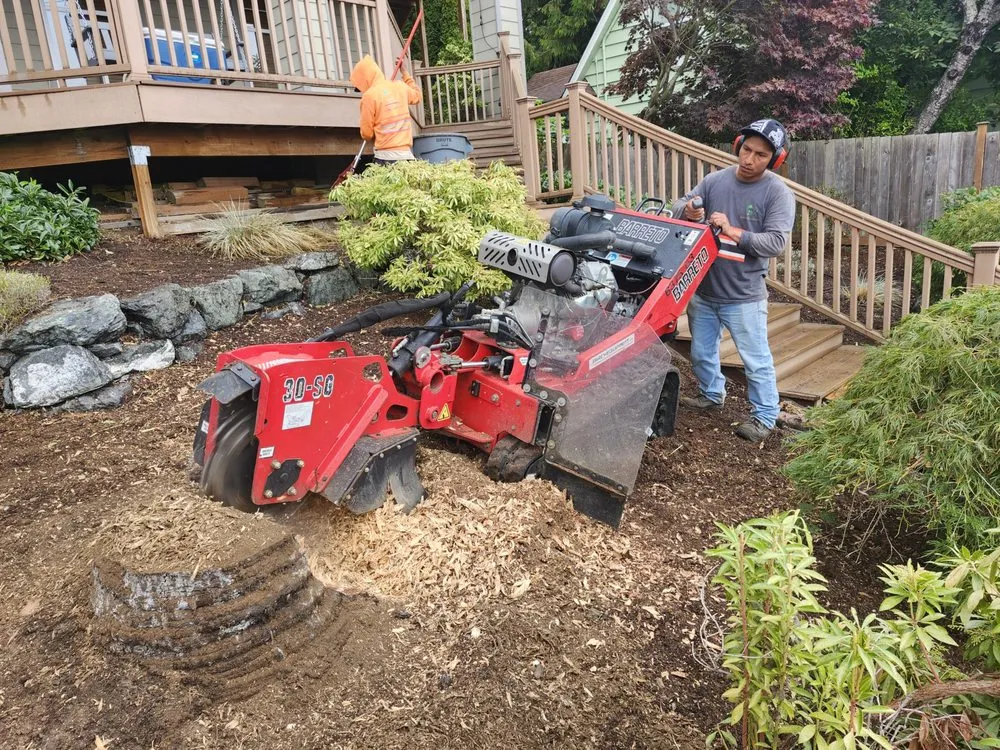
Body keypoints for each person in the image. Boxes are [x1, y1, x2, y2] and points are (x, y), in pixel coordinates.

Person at [671, 118, 796, 442]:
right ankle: (712, 395)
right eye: (747, 150)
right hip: (706, 289)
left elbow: (775, 243)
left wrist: (732, 231)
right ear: (738, 145)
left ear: (775, 160)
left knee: (755, 362)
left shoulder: (778, 193)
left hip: (744, 296)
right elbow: (678, 206)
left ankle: (765, 416)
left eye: (760, 155)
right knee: (700, 353)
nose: (749, 159)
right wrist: (689, 212)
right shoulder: (715, 181)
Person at [349, 55, 422, 165]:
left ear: (365, 80)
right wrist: (405, 73)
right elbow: (417, 96)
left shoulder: (369, 96)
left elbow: (366, 134)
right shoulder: (399, 86)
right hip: (406, 156)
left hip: (385, 158)